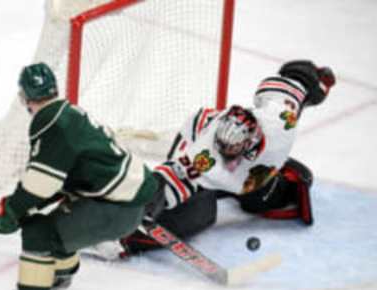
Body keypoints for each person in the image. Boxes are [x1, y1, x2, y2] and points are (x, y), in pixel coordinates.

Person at [89, 60, 336, 260]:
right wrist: (154, 196)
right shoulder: (210, 146)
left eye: (233, 149)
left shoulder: (278, 125)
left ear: (250, 143)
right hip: (216, 168)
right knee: (200, 213)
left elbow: (289, 90)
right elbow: (182, 173)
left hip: (257, 175)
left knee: (285, 189)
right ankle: (122, 235)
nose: (227, 153)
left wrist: (311, 80)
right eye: (224, 148)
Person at [0, 62, 160, 290]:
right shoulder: (70, 113)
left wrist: (10, 209)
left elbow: (40, 185)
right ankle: (59, 279)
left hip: (118, 209)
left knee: (39, 233)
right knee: (57, 222)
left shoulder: (51, 124)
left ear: (24, 97)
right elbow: (60, 181)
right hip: (129, 198)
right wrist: (19, 206)